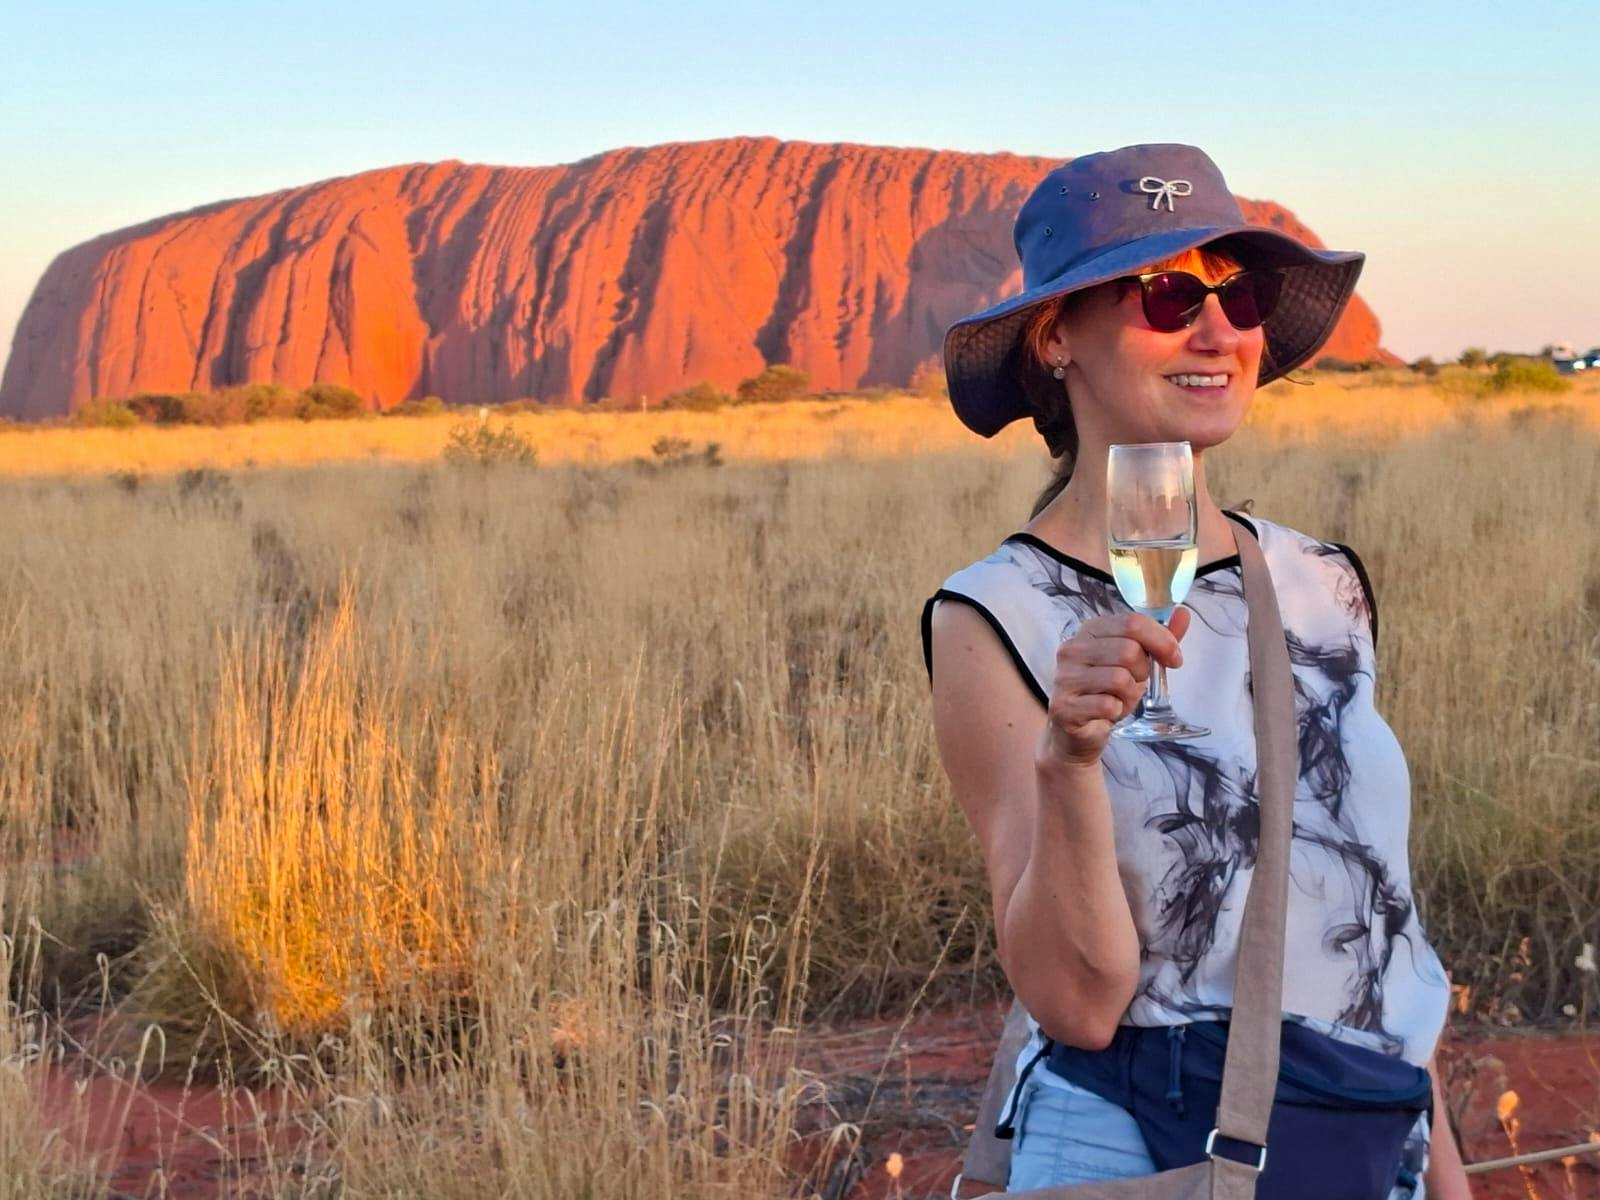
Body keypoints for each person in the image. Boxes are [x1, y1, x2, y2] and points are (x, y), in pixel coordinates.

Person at [920, 144, 1470, 1198]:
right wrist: (1069, 759)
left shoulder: (1322, 582)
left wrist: (1443, 1176)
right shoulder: (998, 614)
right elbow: (1075, 1003)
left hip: (1360, 1132)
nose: (1216, 330)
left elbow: (1373, 913)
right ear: (1055, 337)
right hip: (1142, 1143)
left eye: (1241, 292)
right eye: (1166, 295)